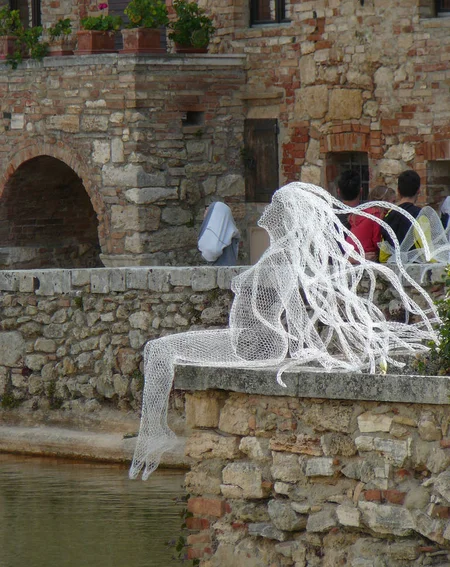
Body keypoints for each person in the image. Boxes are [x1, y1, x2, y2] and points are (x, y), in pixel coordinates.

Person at [129, 182, 438, 480]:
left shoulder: (282, 258)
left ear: (286, 217)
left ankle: (153, 437)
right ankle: (153, 434)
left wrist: (313, 351)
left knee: (158, 349)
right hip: (246, 339)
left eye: (273, 208)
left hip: (250, 344)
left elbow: (295, 316)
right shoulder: (280, 255)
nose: (264, 216)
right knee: (157, 349)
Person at [379, 170, 421, 262]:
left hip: (393, 268)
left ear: (398, 190)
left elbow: (383, 256)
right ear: (419, 190)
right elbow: (429, 250)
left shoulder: (388, 215)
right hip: (417, 270)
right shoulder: (421, 215)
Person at [346, 185, 396, 261]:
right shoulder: (376, 216)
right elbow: (377, 241)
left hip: (350, 254)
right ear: (385, 201)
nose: (394, 206)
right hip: (365, 254)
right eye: (393, 202)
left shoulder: (362, 212)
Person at [198, 201, 240, 266]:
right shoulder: (230, 230)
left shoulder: (219, 232)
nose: (206, 213)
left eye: (208, 209)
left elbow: (213, 251)